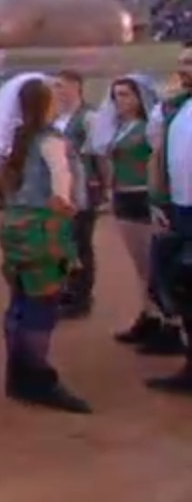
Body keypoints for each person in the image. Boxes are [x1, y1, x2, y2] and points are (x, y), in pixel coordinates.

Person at [0, 74, 91, 414]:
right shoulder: (50, 139)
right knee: (42, 302)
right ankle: (37, 377)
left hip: (15, 225)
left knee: (21, 298)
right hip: (41, 227)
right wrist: (64, 201)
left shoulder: (18, 138)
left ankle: (18, 372)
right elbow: (61, 174)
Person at [91, 75, 184, 355]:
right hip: (123, 195)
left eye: (126, 95)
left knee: (153, 264)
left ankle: (169, 322)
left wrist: (158, 197)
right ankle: (150, 316)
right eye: (116, 95)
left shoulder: (148, 127)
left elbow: (158, 159)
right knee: (141, 266)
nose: (120, 101)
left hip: (142, 194)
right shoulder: (120, 127)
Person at [146, 41, 192, 395]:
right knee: (179, 285)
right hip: (180, 209)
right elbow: (162, 156)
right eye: (182, 63)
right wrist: (159, 200)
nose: (183, 70)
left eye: (190, 63)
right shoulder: (176, 109)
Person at [53, 69, 102, 319]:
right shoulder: (57, 118)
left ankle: (81, 294)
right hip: (61, 188)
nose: (57, 91)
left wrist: (101, 186)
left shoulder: (88, 117)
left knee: (80, 241)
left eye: (61, 86)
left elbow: (98, 153)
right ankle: (67, 288)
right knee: (64, 240)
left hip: (82, 188)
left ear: (76, 86)